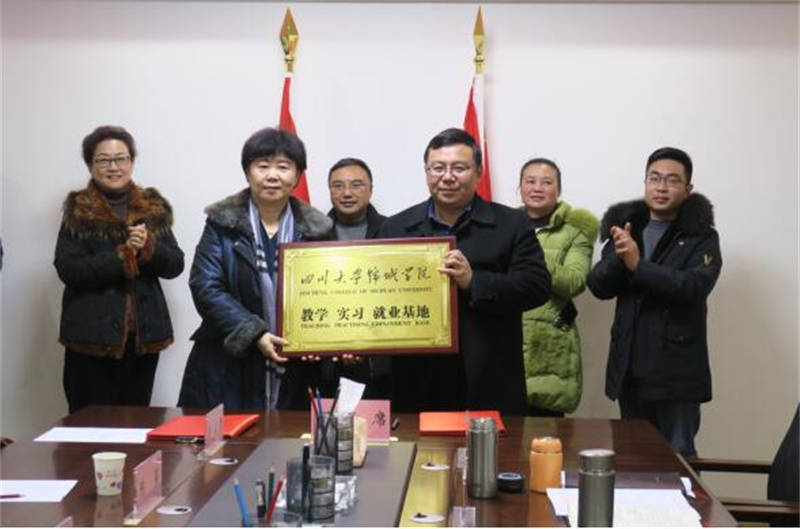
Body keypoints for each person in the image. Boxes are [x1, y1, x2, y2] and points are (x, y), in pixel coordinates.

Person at [378, 128, 551, 416]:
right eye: (438, 168)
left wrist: (474, 281)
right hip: (416, 379)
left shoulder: (511, 223)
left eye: (459, 168)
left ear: (478, 172)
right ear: (426, 172)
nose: (447, 177)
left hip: (490, 376)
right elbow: (376, 297)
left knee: (493, 446)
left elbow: (537, 286)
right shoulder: (396, 227)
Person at [178, 127, 332, 410]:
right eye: (263, 166)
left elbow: (329, 294)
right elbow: (205, 285)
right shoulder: (221, 223)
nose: (272, 176)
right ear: (247, 172)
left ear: (298, 175)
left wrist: (317, 342)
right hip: (227, 362)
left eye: (283, 167)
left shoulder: (318, 231)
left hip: (294, 365)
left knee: (287, 436)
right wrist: (254, 333)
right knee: (230, 437)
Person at [587, 147, 722, 456]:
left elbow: (693, 286)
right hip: (630, 369)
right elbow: (598, 286)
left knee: (679, 459)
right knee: (634, 462)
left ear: (687, 189)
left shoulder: (701, 237)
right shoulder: (627, 227)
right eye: (654, 178)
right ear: (645, 183)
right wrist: (618, 257)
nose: (661, 187)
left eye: (672, 180)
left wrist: (639, 265)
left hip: (676, 374)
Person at [55, 125, 184, 413]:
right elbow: (68, 269)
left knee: (135, 423)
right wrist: (123, 256)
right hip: (89, 340)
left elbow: (175, 264)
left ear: (132, 162)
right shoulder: (78, 209)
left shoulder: (151, 207)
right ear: (90, 166)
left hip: (142, 340)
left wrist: (149, 246)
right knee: (87, 425)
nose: (113, 167)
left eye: (120, 159)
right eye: (103, 160)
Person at [519, 158, 598, 417]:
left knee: (545, 432)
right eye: (530, 181)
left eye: (546, 182)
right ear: (520, 187)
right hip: (506, 338)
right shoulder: (506, 224)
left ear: (559, 189)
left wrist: (533, 255)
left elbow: (574, 282)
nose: (537, 188)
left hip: (547, 341)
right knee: (505, 431)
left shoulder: (575, 230)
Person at [324, 157, 390, 398]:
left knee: (380, 418)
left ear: (371, 190)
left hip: (381, 357)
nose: (347, 193)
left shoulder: (393, 232)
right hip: (327, 356)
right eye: (338, 186)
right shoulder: (311, 235)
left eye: (356, 185)